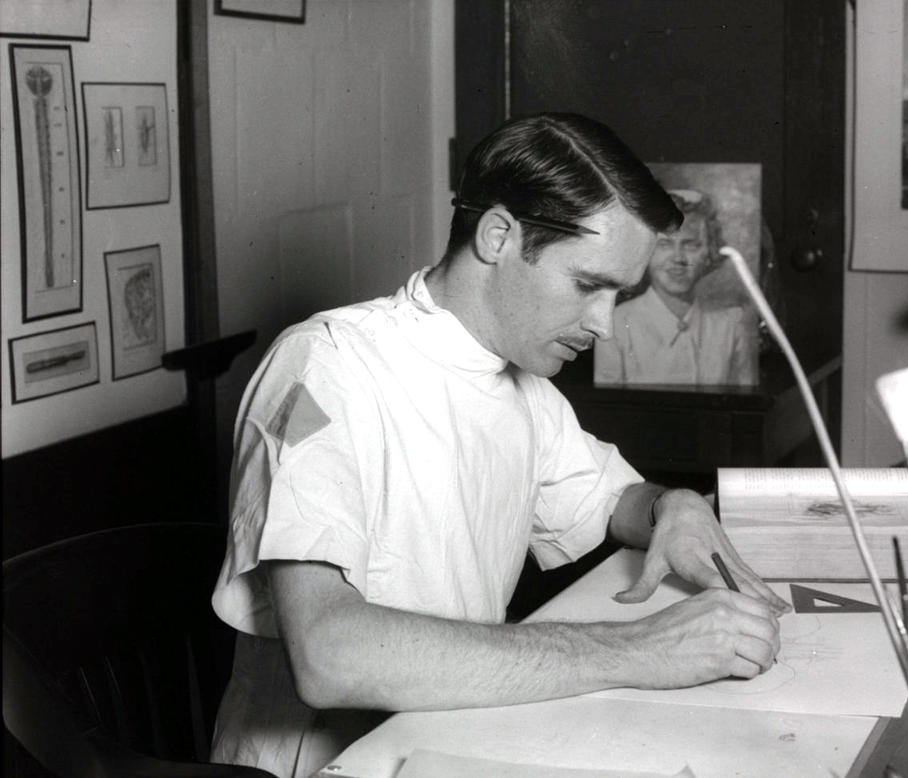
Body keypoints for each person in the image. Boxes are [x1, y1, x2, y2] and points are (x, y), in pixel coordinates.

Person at [209, 113, 787, 778]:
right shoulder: (318, 373)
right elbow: (328, 653)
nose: (603, 324)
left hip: (453, 742)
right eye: (588, 285)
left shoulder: (517, 377)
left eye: (619, 295)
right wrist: (635, 650)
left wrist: (670, 508)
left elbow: (609, 499)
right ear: (499, 235)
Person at [594, 188, 756, 387]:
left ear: (710, 252)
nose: (678, 258)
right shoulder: (617, 324)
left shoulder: (730, 326)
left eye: (691, 245)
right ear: (644, 250)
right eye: (664, 245)